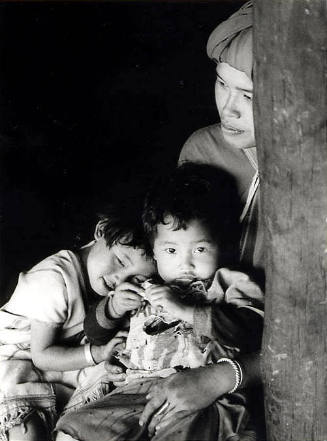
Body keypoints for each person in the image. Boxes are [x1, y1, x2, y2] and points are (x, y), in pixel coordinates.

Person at [56, 163, 264, 441]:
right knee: (75, 427)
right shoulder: (145, 287)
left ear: (221, 246)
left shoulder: (226, 282)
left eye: (200, 249)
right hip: (134, 392)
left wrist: (188, 311)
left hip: (200, 395)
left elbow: (252, 332)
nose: (185, 263)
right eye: (171, 250)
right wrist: (114, 307)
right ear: (154, 252)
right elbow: (93, 332)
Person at [138, 1, 266, 439]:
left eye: (248, 96)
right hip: (186, 350)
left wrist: (224, 377)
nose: (227, 109)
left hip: (262, 363)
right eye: (221, 84)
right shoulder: (203, 149)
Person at [0, 199, 155, 441]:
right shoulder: (54, 279)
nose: (120, 280)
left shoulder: (109, 291)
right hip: (17, 356)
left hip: (60, 361)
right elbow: (42, 356)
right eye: (121, 261)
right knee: (25, 429)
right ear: (101, 230)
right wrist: (99, 353)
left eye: (136, 279)